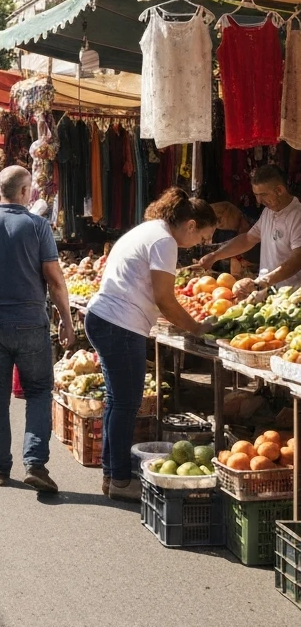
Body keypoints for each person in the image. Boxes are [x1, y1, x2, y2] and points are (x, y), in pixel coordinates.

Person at [86, 189, 217, 500]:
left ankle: (113, 473)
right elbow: (165, 300)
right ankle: (119, 480)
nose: (198, 245)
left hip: (105, 318)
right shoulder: (164, 241)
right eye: (201, 238)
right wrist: (196, 328)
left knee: (118, 402)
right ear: (190, 225)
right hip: (119, 325)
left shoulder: (149, 230)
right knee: (126, 404)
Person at [0, 165, 76, 493]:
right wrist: (66, 319)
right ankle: (35, 462)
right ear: (25, 192)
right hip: (30, 324)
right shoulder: (37, 226)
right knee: (37, 392)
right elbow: (54, 278)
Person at [197, 165, 301, 294]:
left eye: (263, 194)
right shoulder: (268, 212)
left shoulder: (297, 216)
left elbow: (298, 259)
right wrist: (215, 256)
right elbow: (247, 239)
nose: (258, 200)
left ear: (279, 190)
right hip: (267, 291)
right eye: (256, 195)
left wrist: (265, 281)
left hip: (291, 295)